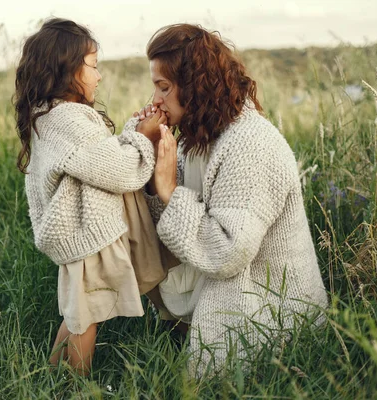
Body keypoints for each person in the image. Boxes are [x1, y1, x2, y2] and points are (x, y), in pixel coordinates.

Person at [137, 24, 328, 377]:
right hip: (225, 280)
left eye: (163, 87)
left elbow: (229, 251)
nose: (155, 101)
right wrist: (149, 167)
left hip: (272, 305)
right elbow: (164, 220)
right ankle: (175, 327)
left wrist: (168, 190)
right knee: (124, 208)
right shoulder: (198, 136)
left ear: (195, 86)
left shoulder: (250, 143)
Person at [13, 18, 168, 375]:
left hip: (84, 234)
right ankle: (74, 385)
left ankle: (53, 380)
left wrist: (133, 130)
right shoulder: (67, 120)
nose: (99, 77)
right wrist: (143, 138)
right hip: (86, 237)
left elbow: (98, 156)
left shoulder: (53, 116)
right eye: (93, 67)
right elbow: (114, 168)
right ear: (66, 69)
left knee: (80, 315)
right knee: (84, 319)